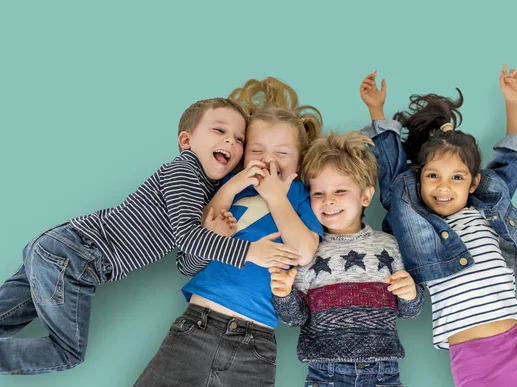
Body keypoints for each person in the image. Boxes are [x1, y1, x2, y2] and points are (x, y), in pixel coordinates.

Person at [0, 97, 301, 375]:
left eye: (239, 139)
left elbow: (186, 264)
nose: (229, 141)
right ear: (186, 140)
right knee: (67, 351)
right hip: (77, 255)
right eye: (219, 130)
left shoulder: (205, 192)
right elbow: (187, 238)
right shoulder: (185, 170)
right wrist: (249, 252)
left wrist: (212, 233)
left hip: (60, 251)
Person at [359, 65, 517, 386]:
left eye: (456, 178)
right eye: (433, 177)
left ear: (473, 183)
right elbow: (392, 174)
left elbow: (513, 159)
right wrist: (376, 109)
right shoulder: (412, 212)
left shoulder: (488, 202)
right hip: (478, 364)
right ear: (419, 178)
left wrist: (513, 103)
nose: (444, 187)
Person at [134, 77, 323, 387]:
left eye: (282, 153)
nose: (268, 160)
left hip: (256, 342)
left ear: (300, 162)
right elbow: (201, 228)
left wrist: (277, 195)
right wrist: (235, 183)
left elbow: (303, 252)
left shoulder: (301, 196)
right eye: (257, 150)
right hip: (197, 323)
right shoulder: (231, 187)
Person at [271, 131, 424, 387]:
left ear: (365, 196)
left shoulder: (389, 246)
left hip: (383, 372)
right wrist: (284, 295)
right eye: (317, 194)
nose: (328, 200)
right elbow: (294, 319)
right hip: (325, 372)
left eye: (340, 190)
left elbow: (409, 312)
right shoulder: (307, 250)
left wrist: (411, 294)